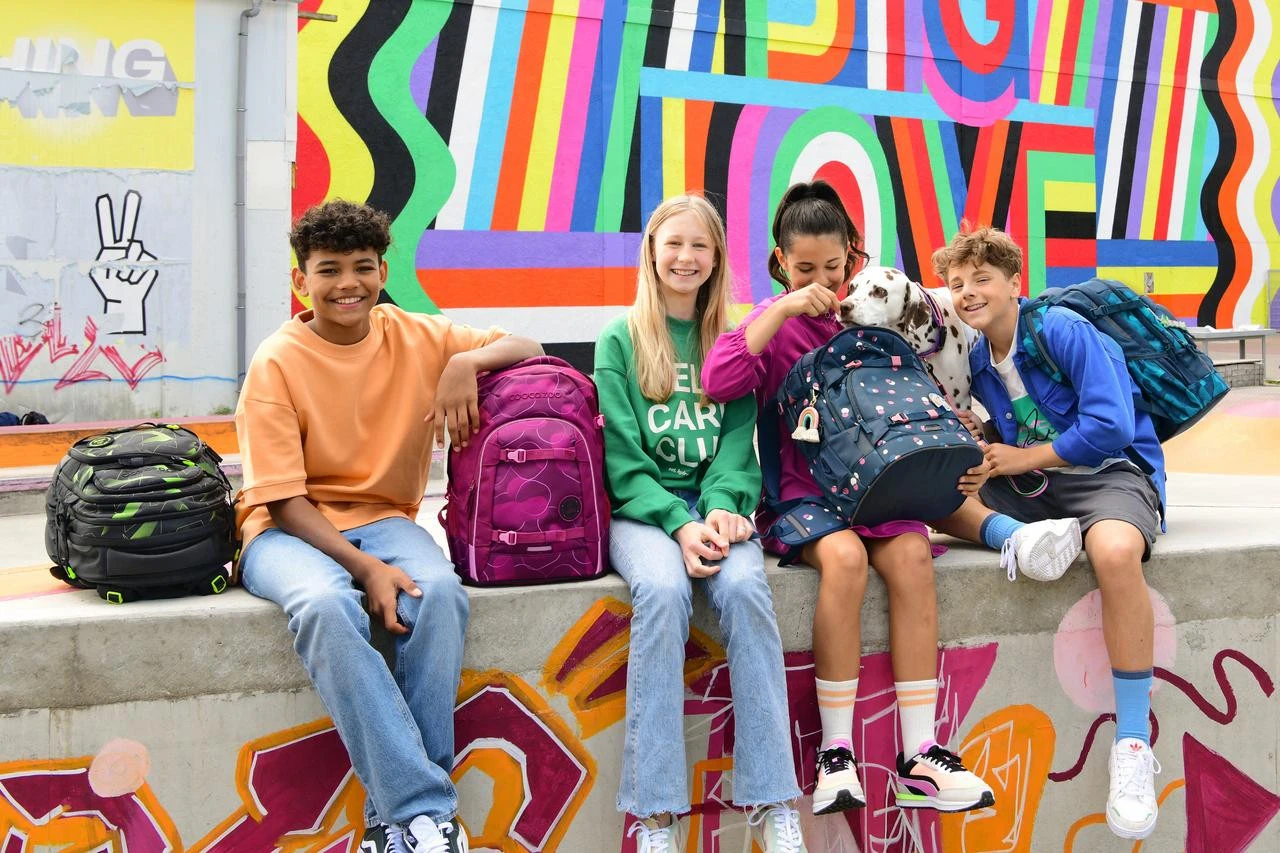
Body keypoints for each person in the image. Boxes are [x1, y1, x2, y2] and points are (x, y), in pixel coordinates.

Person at [702, 181, 1079, 817]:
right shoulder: (776, 324)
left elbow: (917, 399)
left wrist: (956, 446)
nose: (823, 282)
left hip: (879, 487)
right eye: (804, 269)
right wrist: (784, 308)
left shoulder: (871, 315)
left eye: (834, 266)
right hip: (808, 495)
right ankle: (836, 752)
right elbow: (719, 378)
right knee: (846, 561)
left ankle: (921, 755)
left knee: (910, 556)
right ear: (781, 261)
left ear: (853, 255)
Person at [234, 199, 542, 853]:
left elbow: (529, 347)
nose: (347, 283)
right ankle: (425, 812)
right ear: (301, 280)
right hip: (285, 531)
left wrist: (464, 365)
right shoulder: (276, 361)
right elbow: (284, 501)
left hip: (382, 517)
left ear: (382, 271)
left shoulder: (416, 336)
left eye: (362, 267)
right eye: (329, 270)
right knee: (326, 605)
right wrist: (366, 569)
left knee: (439, 594)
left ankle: (399, 826)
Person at [934, 225, 1165, 840]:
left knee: (1114, 552)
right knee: (933, 489)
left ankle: (1133, 743)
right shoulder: (978, 360)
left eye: (981, 279)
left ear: (1015, 283)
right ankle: (1019, 536)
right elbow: (1015, 435)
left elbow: (1111, 427)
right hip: (1039, 490)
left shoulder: (1061, 329)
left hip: (1107, 475)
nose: (967, 292)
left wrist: (1019, 457)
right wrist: (983, 442)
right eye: (957, 284)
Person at [594, 194, 806, 853]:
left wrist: (720, 508)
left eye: (700, 246)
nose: (686, 257)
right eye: (674, 244)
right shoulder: (620, 339)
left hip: (715, 508)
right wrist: (678, 523)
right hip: (644, 511)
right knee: (662, 592)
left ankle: (773, 799)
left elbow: (739, 444)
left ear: (716, 258)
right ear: (652, 252)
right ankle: (655, 814)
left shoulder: (732, 344)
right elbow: (622, 460)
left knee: (744, 589)